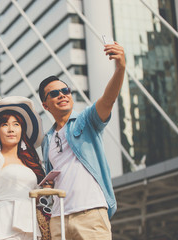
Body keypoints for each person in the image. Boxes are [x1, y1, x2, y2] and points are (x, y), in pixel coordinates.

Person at [38, 42, 126, 239]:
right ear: (45, 105)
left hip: (91, 213)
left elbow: (108, 100)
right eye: (54, 94)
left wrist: (120, 68)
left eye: (66, 90)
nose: (62, 95)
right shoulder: (48, 140)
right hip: (58, 218)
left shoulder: (86, 121)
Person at [0, 96, 46, 240]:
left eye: (16, 124)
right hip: (3, 222)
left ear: (22, 130)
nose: (11, 129)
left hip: (29, 222)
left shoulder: (31, 162)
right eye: (5, 125)